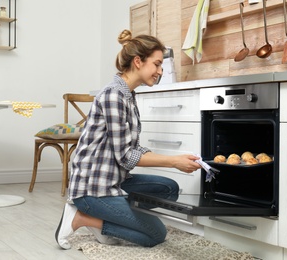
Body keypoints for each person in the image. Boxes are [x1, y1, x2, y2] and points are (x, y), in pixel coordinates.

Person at [55, 29, 201, 250]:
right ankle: (82, 217)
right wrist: (173, 162)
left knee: (168, 188)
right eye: (157, 64)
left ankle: (115, 214)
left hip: (115, 179)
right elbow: (125, 156)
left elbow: (132, 148)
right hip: (92, 189)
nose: (160, 71)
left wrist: (178, 159)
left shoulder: (128, 95)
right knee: (156, 234)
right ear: (138, 61)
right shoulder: (113, 95)